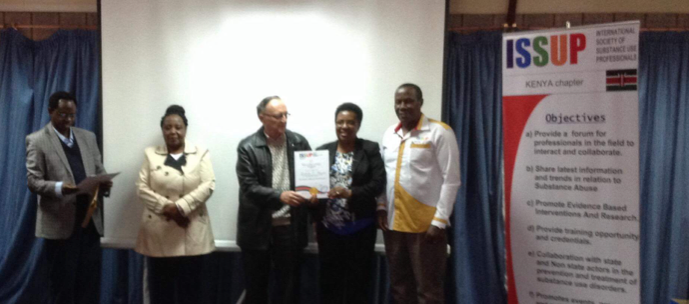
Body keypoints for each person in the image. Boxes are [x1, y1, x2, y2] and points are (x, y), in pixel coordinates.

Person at [26, 91, 112, 304]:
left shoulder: (87, 137)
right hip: (60, 225)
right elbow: (33, 181)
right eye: (63, 115)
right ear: (50, 112)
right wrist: (58, 188)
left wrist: (104, 184)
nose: (68, 120)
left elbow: (99, 171)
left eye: (72, 115)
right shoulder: (37, 140)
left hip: (90, 223)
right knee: (62, 288)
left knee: (88, 286)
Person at [378, 83, 461, 304]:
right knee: (400, 287)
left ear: (420, 103)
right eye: (398, 101)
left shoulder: (440, 132)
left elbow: (452, 180)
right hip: (394, 225)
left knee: (428, 291)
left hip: (426, 228)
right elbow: (383, 176)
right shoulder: (389, 134)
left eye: (408, 101)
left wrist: (439, 222)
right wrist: (381, 206)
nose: (402, 106)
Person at [134, 105, 216, 304]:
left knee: (191, 291)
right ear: (162, 129)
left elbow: (208, 184)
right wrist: (168, 208)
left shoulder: (200, 153)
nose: (173, 132)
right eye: (168, 127)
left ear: (185, 128)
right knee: (161, 292)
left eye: (178, 127)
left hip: (192, 229)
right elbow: (141, 187)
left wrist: (181, 208)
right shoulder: (150, 154)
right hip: (158, 233)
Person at [236, 96, 311, 304]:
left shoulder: (298, 142)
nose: (284, 120)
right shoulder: (247, 147)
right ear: (262, 117)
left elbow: (311, 179)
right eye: (279, 116)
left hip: (290, 228)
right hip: (257, 229)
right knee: (256, 288)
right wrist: (280, 195)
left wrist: (315, 194)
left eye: (286, 115)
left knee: (289, 289)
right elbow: (249, 187)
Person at [313, 102, 386, 304]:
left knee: (358, 284)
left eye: (350, 122)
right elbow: (312, 187)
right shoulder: (322, 152)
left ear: (358, 125)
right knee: (329, 284)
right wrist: (309, 197)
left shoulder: (369, 149)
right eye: (340, 122)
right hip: (328, 230)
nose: (344, 126)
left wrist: (350, 193)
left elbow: (378, 183)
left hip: (360, 228)